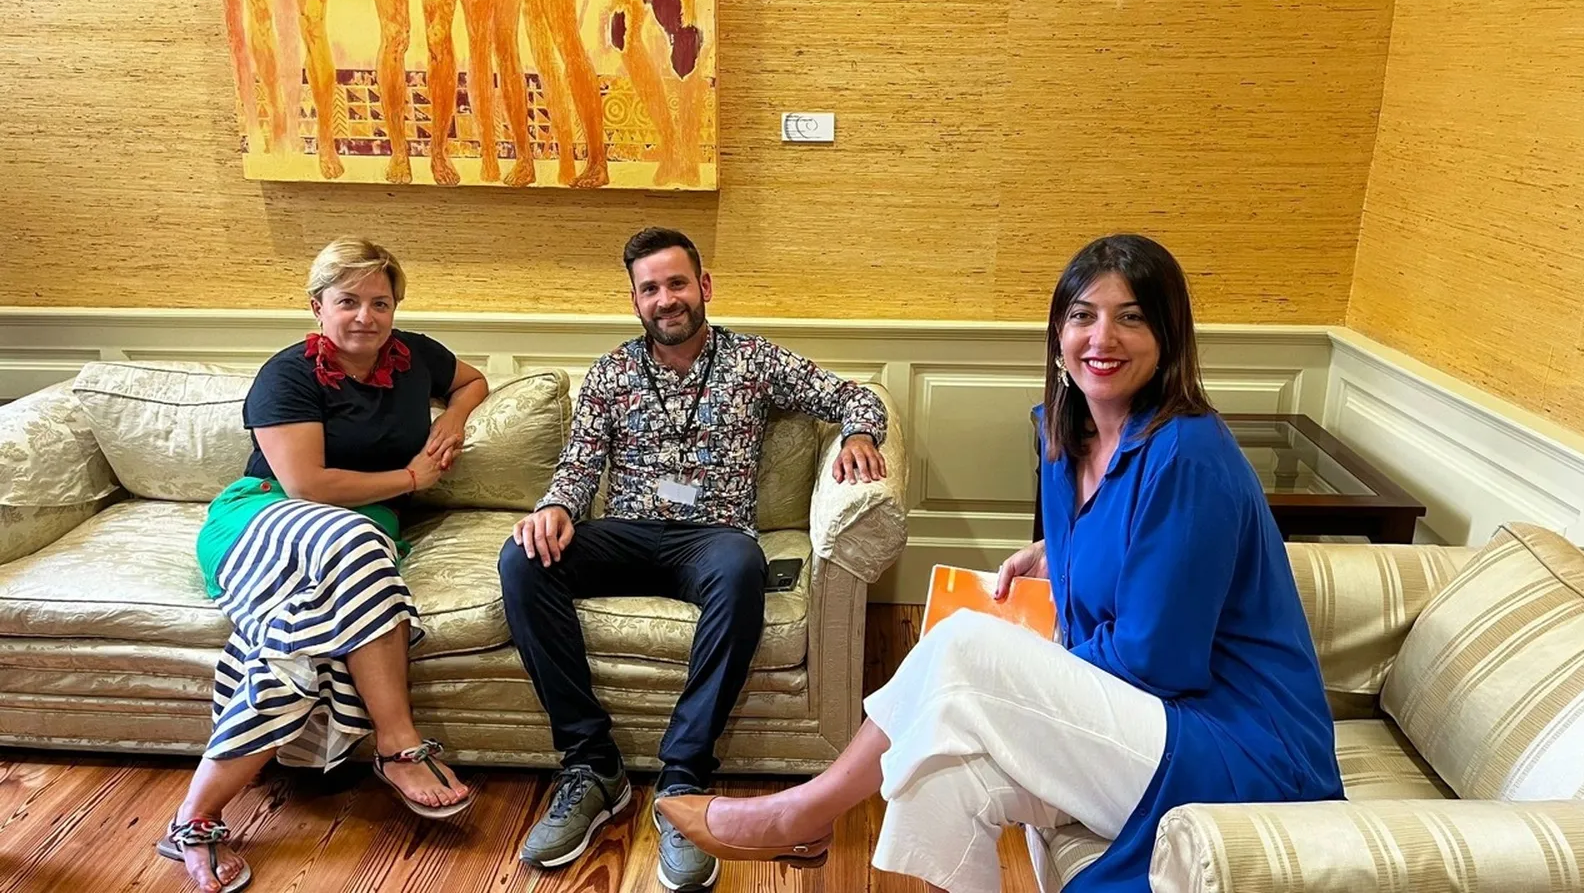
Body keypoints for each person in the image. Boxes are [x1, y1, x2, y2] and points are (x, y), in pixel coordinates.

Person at [655, 234, 1344, 893]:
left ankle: (803, 812)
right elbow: (1129, 543)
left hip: (1238, 745)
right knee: (943, 773)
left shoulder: (1189, 454)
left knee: (966, 647)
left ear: (1168, 337)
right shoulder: (1067, 437)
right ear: (1059, 333)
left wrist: (1020, 671)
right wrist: (1060, 552)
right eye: (1083, 316)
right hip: (1152, 720)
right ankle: (810, 816)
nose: (1102, 338)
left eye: (1131, 318)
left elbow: (1159, 660)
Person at [498, 227, 889, 891]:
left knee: (741, 567)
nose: (666, 299)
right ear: (635, 301)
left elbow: (856, 395)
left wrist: (857, 434)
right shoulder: (611, 373)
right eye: (650, 288)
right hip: (626, 531)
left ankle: (682, 780)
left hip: (713, 538)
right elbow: (578, 464)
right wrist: (557, 506)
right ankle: (592, 766)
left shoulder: (753, 361)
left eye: (677, 283)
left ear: (703, 286)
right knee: (522, 559)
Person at [159, 239, 489, 893]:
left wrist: (452, 419)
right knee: (360, 542)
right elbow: (305, 485)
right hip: (263, 518)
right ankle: (398, 745)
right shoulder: (288, 375)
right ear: (318, 306)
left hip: (358, 535)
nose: (366, 316)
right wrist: (411, 478)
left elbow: (472, 380)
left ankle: (194, 816)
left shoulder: (414, 356)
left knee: (299, 641)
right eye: (348, 301)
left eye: (380, 302)